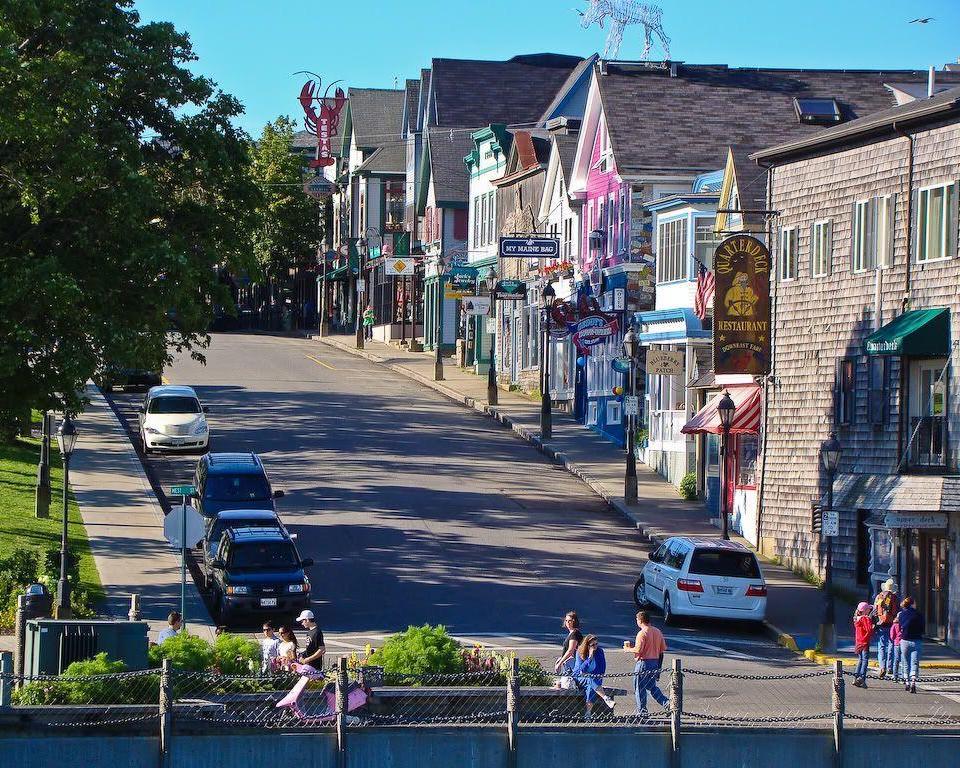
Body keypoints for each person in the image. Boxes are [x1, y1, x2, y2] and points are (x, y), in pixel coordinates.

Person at [623, 610, 668, 716]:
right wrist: (659, 669)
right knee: (652, 687)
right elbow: (662, 650)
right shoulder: (657, 631)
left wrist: (627, 649)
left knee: (639, 687)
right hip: (655, 662)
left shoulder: (642, 633)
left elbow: (638, 650)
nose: (636, 622)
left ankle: (642, 710)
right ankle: (667, 703)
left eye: (637, 620)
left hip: (643, 663)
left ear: (640, 620)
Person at [572, 634, 615, 718]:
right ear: (587, 645)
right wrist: (590, 658)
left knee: (590, 687)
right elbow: (580, 670)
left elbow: (602, 669)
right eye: (592, 645)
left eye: (596, 644)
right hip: (579, 678)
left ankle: (588, 713)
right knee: (589, 679)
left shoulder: (599, 651)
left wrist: (594, 676)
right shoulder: (579, 652)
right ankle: (606, 698)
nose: (595, 646)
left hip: (594, 679)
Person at [872, 578, 900, 679]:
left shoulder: (879, 596)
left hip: (881, 624)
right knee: (891, 645)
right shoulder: (895, 598)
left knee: (882, 646)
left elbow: (875, 610)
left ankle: (882, 666)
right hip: (892, 624)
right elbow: (898, 611)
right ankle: (890, 667)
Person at [897, 596, 925, 693]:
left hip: (904, 641)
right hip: (916, 640)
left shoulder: (901, 614)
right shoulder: (919, 615)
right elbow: (922, 628)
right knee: (914, 662)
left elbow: (900, 627)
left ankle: (907, 682)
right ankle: (913, 681)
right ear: (912, 604)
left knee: (905, 663)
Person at [554, 611, 583, 688]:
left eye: (570, 621)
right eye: (566, 620)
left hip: (573, 664)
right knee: (564, 684)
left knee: (568, 684)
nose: (567, 623)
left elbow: (571, 651)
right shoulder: (572, 633)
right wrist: (561, 658)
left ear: (574, 621)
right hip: (569, 663)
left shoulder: (575, 634)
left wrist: (560, 663)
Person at [852, 601, 873, 688]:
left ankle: (856, 677)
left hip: (858, 641)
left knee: (860, 660)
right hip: (865, 642)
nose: (869, 610)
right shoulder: (865, 619)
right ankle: (862, 678)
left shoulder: (857, 618)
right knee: (865, 660)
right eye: (868, 609)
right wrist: (872, 625)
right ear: (865, 610)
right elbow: (869, 630)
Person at [890, 618, 903, 684]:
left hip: (897, 643)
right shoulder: (904, 624)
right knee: (904, 660)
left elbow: (892, 636)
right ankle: (904, 677)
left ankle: (895, 676)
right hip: (904, 643)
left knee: (896, 660)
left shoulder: (894, 625)